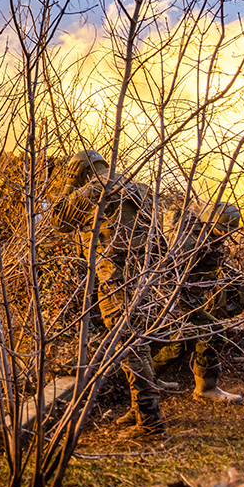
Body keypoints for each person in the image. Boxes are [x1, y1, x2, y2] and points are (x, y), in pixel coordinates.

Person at [49, 149, 167, 439]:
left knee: (129, 344)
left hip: (116, 279)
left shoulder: (93, 190)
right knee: (138, 341)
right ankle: (140, 407)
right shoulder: (136, 187)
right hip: (141, 278)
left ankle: (151, 421)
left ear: (80, 171)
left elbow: (58, 220)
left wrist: (68, 184)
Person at [153, 201, 244, 403]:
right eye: (221, 230)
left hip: (187, 297)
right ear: (209, 222)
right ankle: (206, 388)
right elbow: (166, 273)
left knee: (182, 343)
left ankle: (148, 378)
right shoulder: (188, 241)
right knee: (212, 332)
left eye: (227, 231)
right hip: (176, 297)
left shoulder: (208, 237)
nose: (224, 235)